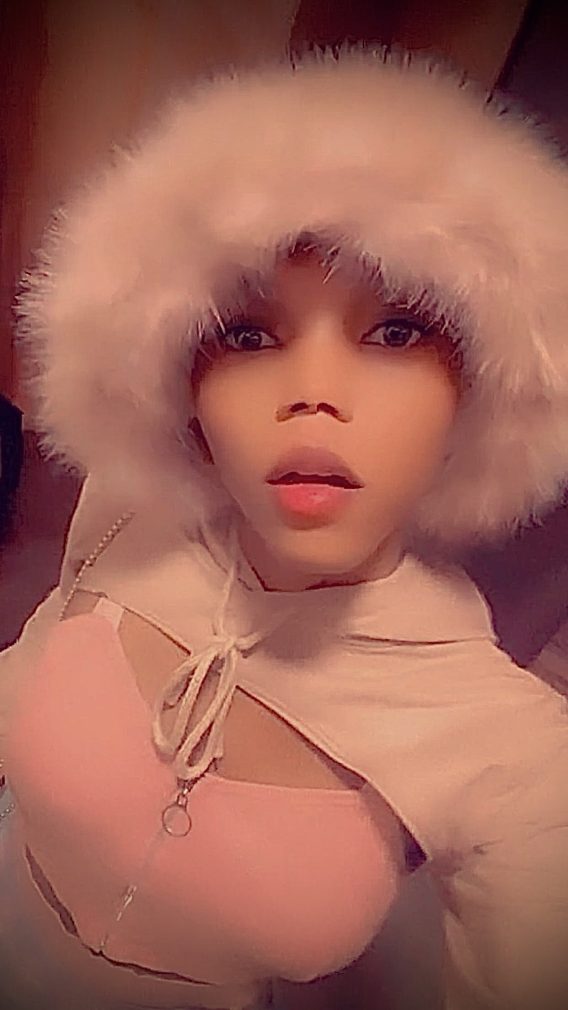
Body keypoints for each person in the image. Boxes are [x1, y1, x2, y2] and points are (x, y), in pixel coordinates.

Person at [1, 45, 568, 1010]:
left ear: (486, 388)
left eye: (397, 331)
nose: (312, 393)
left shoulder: (510, 752)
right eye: (247, 333)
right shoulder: (128, 507)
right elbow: (40, 644)